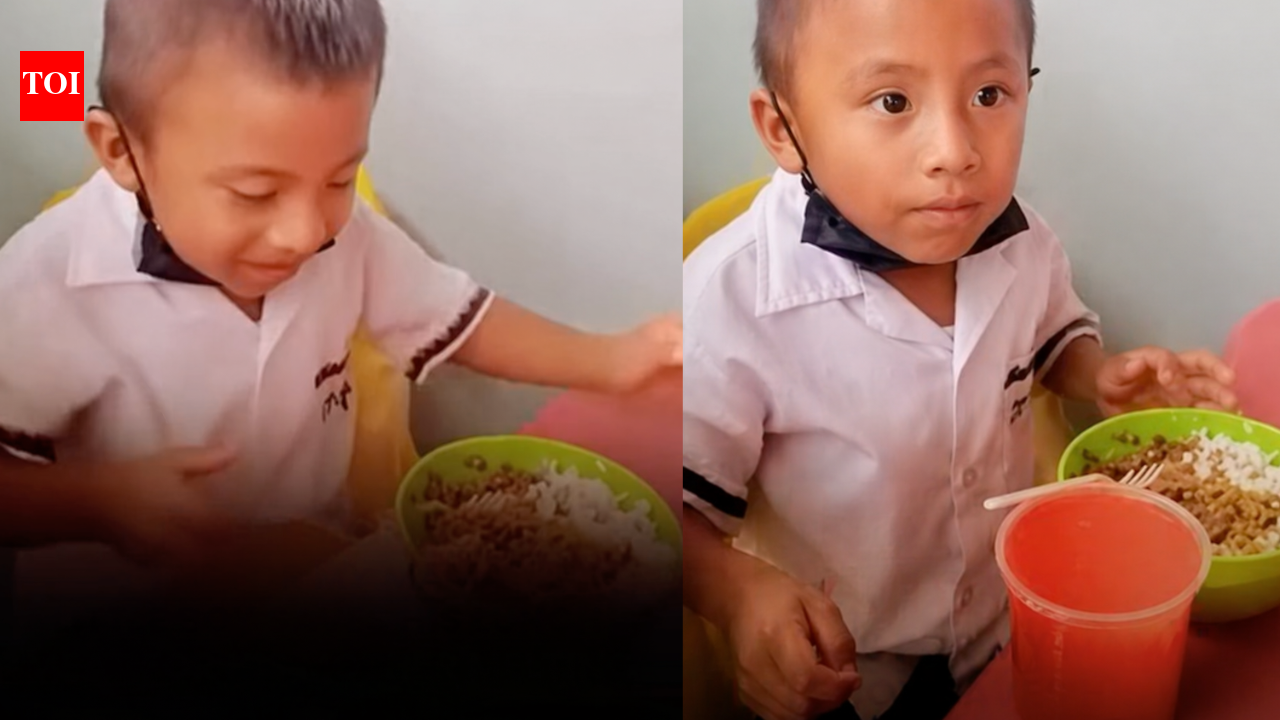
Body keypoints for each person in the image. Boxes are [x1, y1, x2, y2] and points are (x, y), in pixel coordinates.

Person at [0, 0, 681, 638]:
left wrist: (613, 358)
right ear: (120, 151)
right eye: (255, 192)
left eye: (338, 180)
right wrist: (97, 500)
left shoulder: (350, 236)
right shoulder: (40, 285)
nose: (305, 233)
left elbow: (461, 319)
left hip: (314, 569)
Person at [681, 1, 1235, 719]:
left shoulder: (1021, 239)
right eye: (892, 101)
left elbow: (1048, 340)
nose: (955, 151)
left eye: (987, 95)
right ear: (784, 130)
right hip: (844, 660)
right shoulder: (731, 299)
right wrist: (737, 593)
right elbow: (678, 508)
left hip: (1002, 622)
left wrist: (1096, 374)